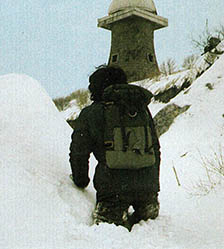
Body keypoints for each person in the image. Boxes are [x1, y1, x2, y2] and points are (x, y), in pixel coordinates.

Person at [69, 65, 160, 230]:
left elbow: (79, 153)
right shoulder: (141, 110)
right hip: (148, 193)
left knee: (108, 235)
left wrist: (80, 181)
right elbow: (155, 149)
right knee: (148, 229)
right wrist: (153, 187)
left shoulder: (90, 113)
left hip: (112, 193)